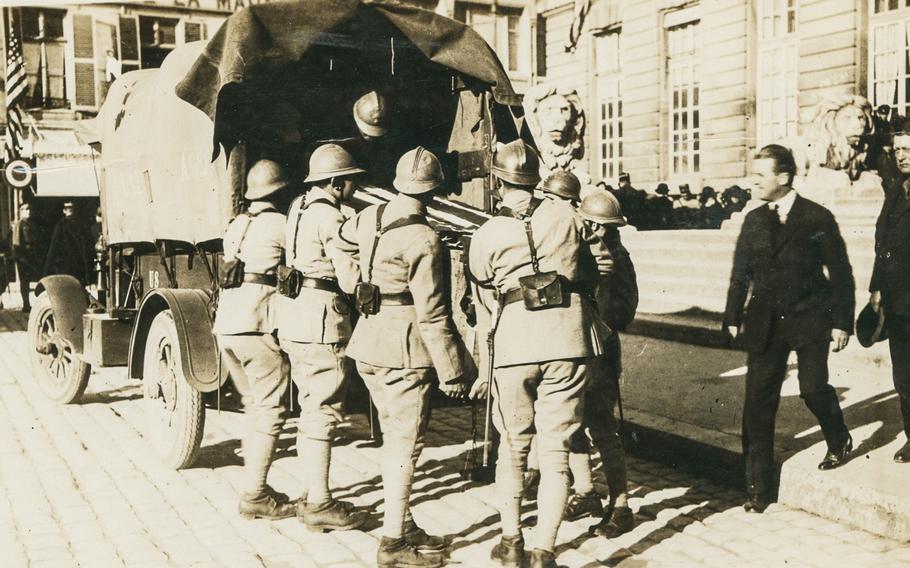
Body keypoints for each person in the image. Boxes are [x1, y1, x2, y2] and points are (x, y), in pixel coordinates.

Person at [468, 140, 612, 568]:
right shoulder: (568, 215)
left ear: (497, 181)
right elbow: (588, 274)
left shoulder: (487, 231)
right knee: (555, 450)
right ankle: (544, 550)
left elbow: (483, 291)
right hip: (567, 338)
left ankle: (511, 542)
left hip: (513, 342)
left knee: (512, 447)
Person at [335, 146, 466, 567]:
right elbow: (433, 313)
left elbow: (338, 242)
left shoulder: (367, 217)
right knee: (404, 446)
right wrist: (453, 371)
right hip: (405, 349)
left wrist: (357, 282)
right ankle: (393, 544)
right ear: (433, 191)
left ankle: (401, 520)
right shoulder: (425, 238)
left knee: (393, 437)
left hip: (368, 341)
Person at [723, 144, 855, 513]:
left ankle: (838, 435)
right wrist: (733, 316)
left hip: (810, 317)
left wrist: (842, 322)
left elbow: (840, 273)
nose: (754, 181)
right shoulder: (753, 219)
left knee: (812, 388)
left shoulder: (816, 217)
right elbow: (740, 273)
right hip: (765, 323)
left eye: (761, 175)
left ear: (783, 177)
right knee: (757, 403)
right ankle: (757, 489)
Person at [276, 144, 368, 531]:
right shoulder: (331, 217)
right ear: (335, 182)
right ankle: (319, 502)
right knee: (323, 412)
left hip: (295, 318)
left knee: (310, 408)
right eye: (350, 181)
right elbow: (348, 276)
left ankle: (312, 492)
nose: (354, 187)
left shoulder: (297, 207)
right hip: (323, 320)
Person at [213, 160, 295, 520]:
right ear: (279, 191)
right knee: (270, 411)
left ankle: (255, 485)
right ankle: (256, 494)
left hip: (227, 327)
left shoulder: (237, 224)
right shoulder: (280, 224)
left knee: (253, 407)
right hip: (256, 325)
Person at [564, 191, 637, 538]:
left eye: (602, 227)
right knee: (573, 426)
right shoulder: (576, 252)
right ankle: (585, 492)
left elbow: (625, 310)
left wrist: (600, 321)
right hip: (573, 350)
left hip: (601, 353)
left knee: (604, 428)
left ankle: (621, 506)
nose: (595, 232)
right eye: (591, 225)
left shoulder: (618, 260)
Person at [869, 121, 910, 463]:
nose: (902, 156)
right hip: (898, 300)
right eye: (897, 150)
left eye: (908, 149)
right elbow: (882, 242)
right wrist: (877, 288)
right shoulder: (895, 189)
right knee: (904, 375)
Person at [44, 201, 93, 284]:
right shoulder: (80, 225)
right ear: (64, 210)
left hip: (66, 267)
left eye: (71, 208)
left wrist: (46, 271)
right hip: (76, 266)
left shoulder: (61, 225)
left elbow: (53, 248)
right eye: (68, 208)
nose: (69, 210)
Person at [11, 202, 42, 312]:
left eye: (29, 209)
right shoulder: (19, 224)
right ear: (21, 212)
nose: (28, 211)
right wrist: (19, 257)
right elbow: (16, 242)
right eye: (25, 209)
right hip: (23, 257)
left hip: (32, 256)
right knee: (25, 282)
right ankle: (26, 304)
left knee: (34, 279)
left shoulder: (32, 224)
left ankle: (37, 303)